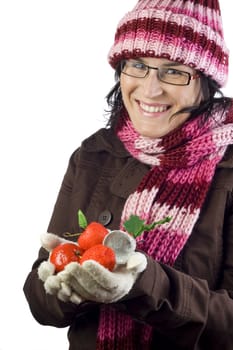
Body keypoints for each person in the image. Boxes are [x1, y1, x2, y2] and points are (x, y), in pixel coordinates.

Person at [23, 0, 233, 349]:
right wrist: (67, 286)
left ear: (206, 82)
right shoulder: (93, 155)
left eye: (175, 70)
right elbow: (40, 304)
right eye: (138, 65)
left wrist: (142, 283)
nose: (151, 89)